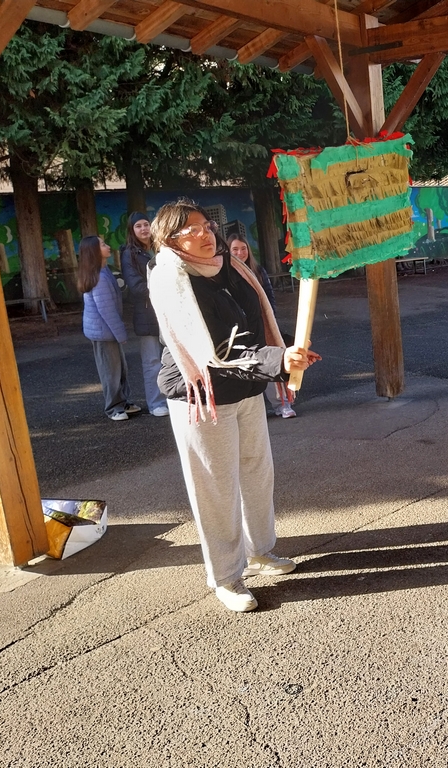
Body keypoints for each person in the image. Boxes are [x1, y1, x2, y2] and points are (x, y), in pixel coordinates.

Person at [148, 199, 320, 612]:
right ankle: (226, 576)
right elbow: (217, 351)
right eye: (193, 230)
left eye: (207, 226)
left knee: (257, 473)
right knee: (215, 488)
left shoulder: (231, 266)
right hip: (202, 395)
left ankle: (260, 551)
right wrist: (278, 360)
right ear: (170, 240)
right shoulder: (171, 279)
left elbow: (254, 324)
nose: (206, 235)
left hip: (246, 389)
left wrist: (286, 351)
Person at [229, 234, 295, 419]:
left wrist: (268, 319)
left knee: (271, 360)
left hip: (260, 323)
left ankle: (282, 404)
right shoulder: (223, 272)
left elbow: (269, 297)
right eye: (235, 249)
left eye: (243, 248)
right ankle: (248, 410)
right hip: (237, 328)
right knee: (245, 365)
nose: (240, 253)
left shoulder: (257, 270)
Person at [77, 235, 141, 422]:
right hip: (103, 333)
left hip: (107, 332)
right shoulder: (99, 278)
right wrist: (121, 334)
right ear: (94, 252)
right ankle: (113, 408)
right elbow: (107, 310)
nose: (108, 247)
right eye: (103, 245)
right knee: (110, 372)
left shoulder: (103, 271)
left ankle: (123, 402)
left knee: (120, 369)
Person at [120, 212, 168, 417]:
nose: (143, 229)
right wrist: (164, 286)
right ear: (132, 230)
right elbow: (136, 286)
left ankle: (174, 398)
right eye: (138, 226)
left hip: (167, 312)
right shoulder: (129, 254)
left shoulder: (160, 247)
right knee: (152, 361)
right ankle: (156, 404)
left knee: (172, 359)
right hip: (146, 314)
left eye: (146, 224)